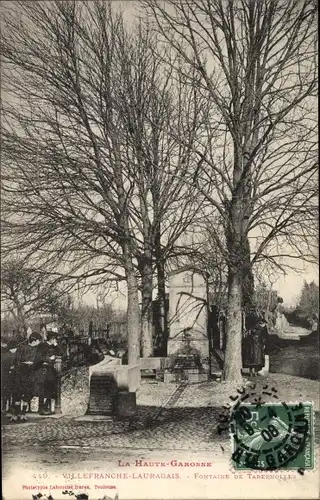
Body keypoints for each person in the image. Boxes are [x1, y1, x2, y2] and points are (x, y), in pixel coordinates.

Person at [11, 332, 42, 422]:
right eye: (38, 341)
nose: (39, 343)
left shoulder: (36, 350)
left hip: (30, 375)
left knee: (27, 394)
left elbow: (38, 363)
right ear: (34, 341)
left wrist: (35, 364)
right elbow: (16, 361)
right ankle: (16, 414)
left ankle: (23, 414)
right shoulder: (22, 348)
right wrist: (24, 364)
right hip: (20, 374)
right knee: (17, 394)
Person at [34, 331, 60, 415]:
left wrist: (56, 345)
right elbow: (39, 357)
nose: (55, 340)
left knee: (51, 388)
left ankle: (46, 407)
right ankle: (41, 409)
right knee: (42, 389)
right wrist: (49, 358)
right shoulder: (42, 346)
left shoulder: (53, 346)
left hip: (50, 370)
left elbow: (61, 353)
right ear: (51, 339)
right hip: (42, 370)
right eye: (55, 339)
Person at [1, 340, 18, 415]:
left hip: (4, 377)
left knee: (5, 394)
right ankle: (12, 407)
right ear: (14, 348)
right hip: (13, 376)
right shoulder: (14, 356)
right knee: (13, 393)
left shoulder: (3, 355)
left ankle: (4, 408)